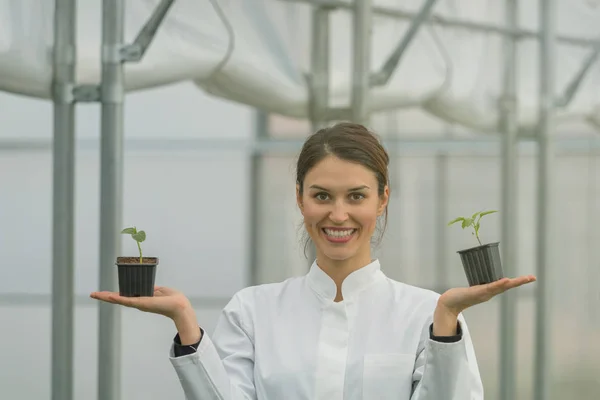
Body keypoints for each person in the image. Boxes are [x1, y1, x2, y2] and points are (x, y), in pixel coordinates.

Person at [91, 122, 536, 399]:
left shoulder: (425, 313)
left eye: (356, 196)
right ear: (300, 200)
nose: (338, 214)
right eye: (321, 195)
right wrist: (186, 325)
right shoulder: (253, 311)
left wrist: (446, 319)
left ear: (383, 200)